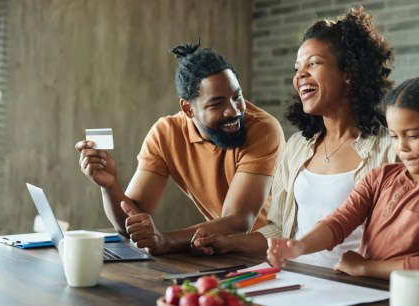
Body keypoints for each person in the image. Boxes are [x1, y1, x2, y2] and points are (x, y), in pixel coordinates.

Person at [191, 6, 396, 269]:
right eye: (298, 68)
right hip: (300, 282)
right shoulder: (298, 146)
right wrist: (230, 242)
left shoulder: (391, 149)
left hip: (360, 289)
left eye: (314, 64)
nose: (300, 76)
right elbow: (280, 229)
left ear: (349, 73)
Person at [75, 39, 285, 255]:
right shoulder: (166, 134)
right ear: (188, 108)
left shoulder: (263, 129)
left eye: (236, 96)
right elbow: (132, 225)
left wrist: (166, 240)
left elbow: (239, 221)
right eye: (216, 103)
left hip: (273, 252)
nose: (233, 111)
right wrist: (110, 185)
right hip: (221, 252)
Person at [266, 75, 419, 279]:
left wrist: (364, 268)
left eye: (412, 135)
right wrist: (300, 246)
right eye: (394, 136)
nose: (401, 146)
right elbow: (340, 221)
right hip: (367, 293)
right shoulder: (380, 176)